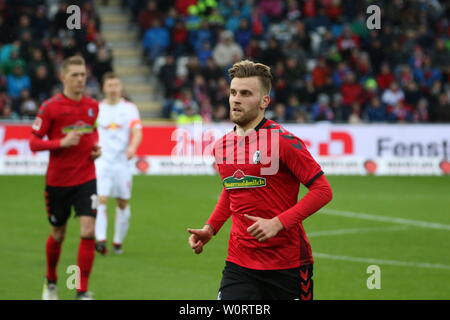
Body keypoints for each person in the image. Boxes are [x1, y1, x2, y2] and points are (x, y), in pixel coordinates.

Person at [187, 60, 333, 300]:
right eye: (233, 92)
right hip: (239, 264)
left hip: (288, 265)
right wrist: (210, 228)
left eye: (245, 94)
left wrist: (278, 222)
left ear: (265, 101)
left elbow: (322, 190)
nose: (236, 99)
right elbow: (231, 190)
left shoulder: (284, 142)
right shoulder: (222, 145)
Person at [29, 56, 101, 300]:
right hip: (58, 182)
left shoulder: (92, 105)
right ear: (63, 77)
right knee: (58, 234)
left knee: (88, 230)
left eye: (83, 75)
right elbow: (33, 142)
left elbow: (92, 133)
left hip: (86, 178)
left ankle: (81, 290)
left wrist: (95, 148)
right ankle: (51, 280)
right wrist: (61, 142)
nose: (80, 79)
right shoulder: (50, 107)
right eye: (75, 75)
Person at [94, 73, 143, 255]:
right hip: (102, 161)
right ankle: (100, 240)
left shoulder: (129, 108)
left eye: (116, 85)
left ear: (120, 87)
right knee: (101, 199)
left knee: (122, 202)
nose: (113, 88)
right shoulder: (97, 108)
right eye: (110, 85)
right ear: (104, 88)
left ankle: (117, 241)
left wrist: (132, 147)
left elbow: (137, 131)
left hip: (122, 161)